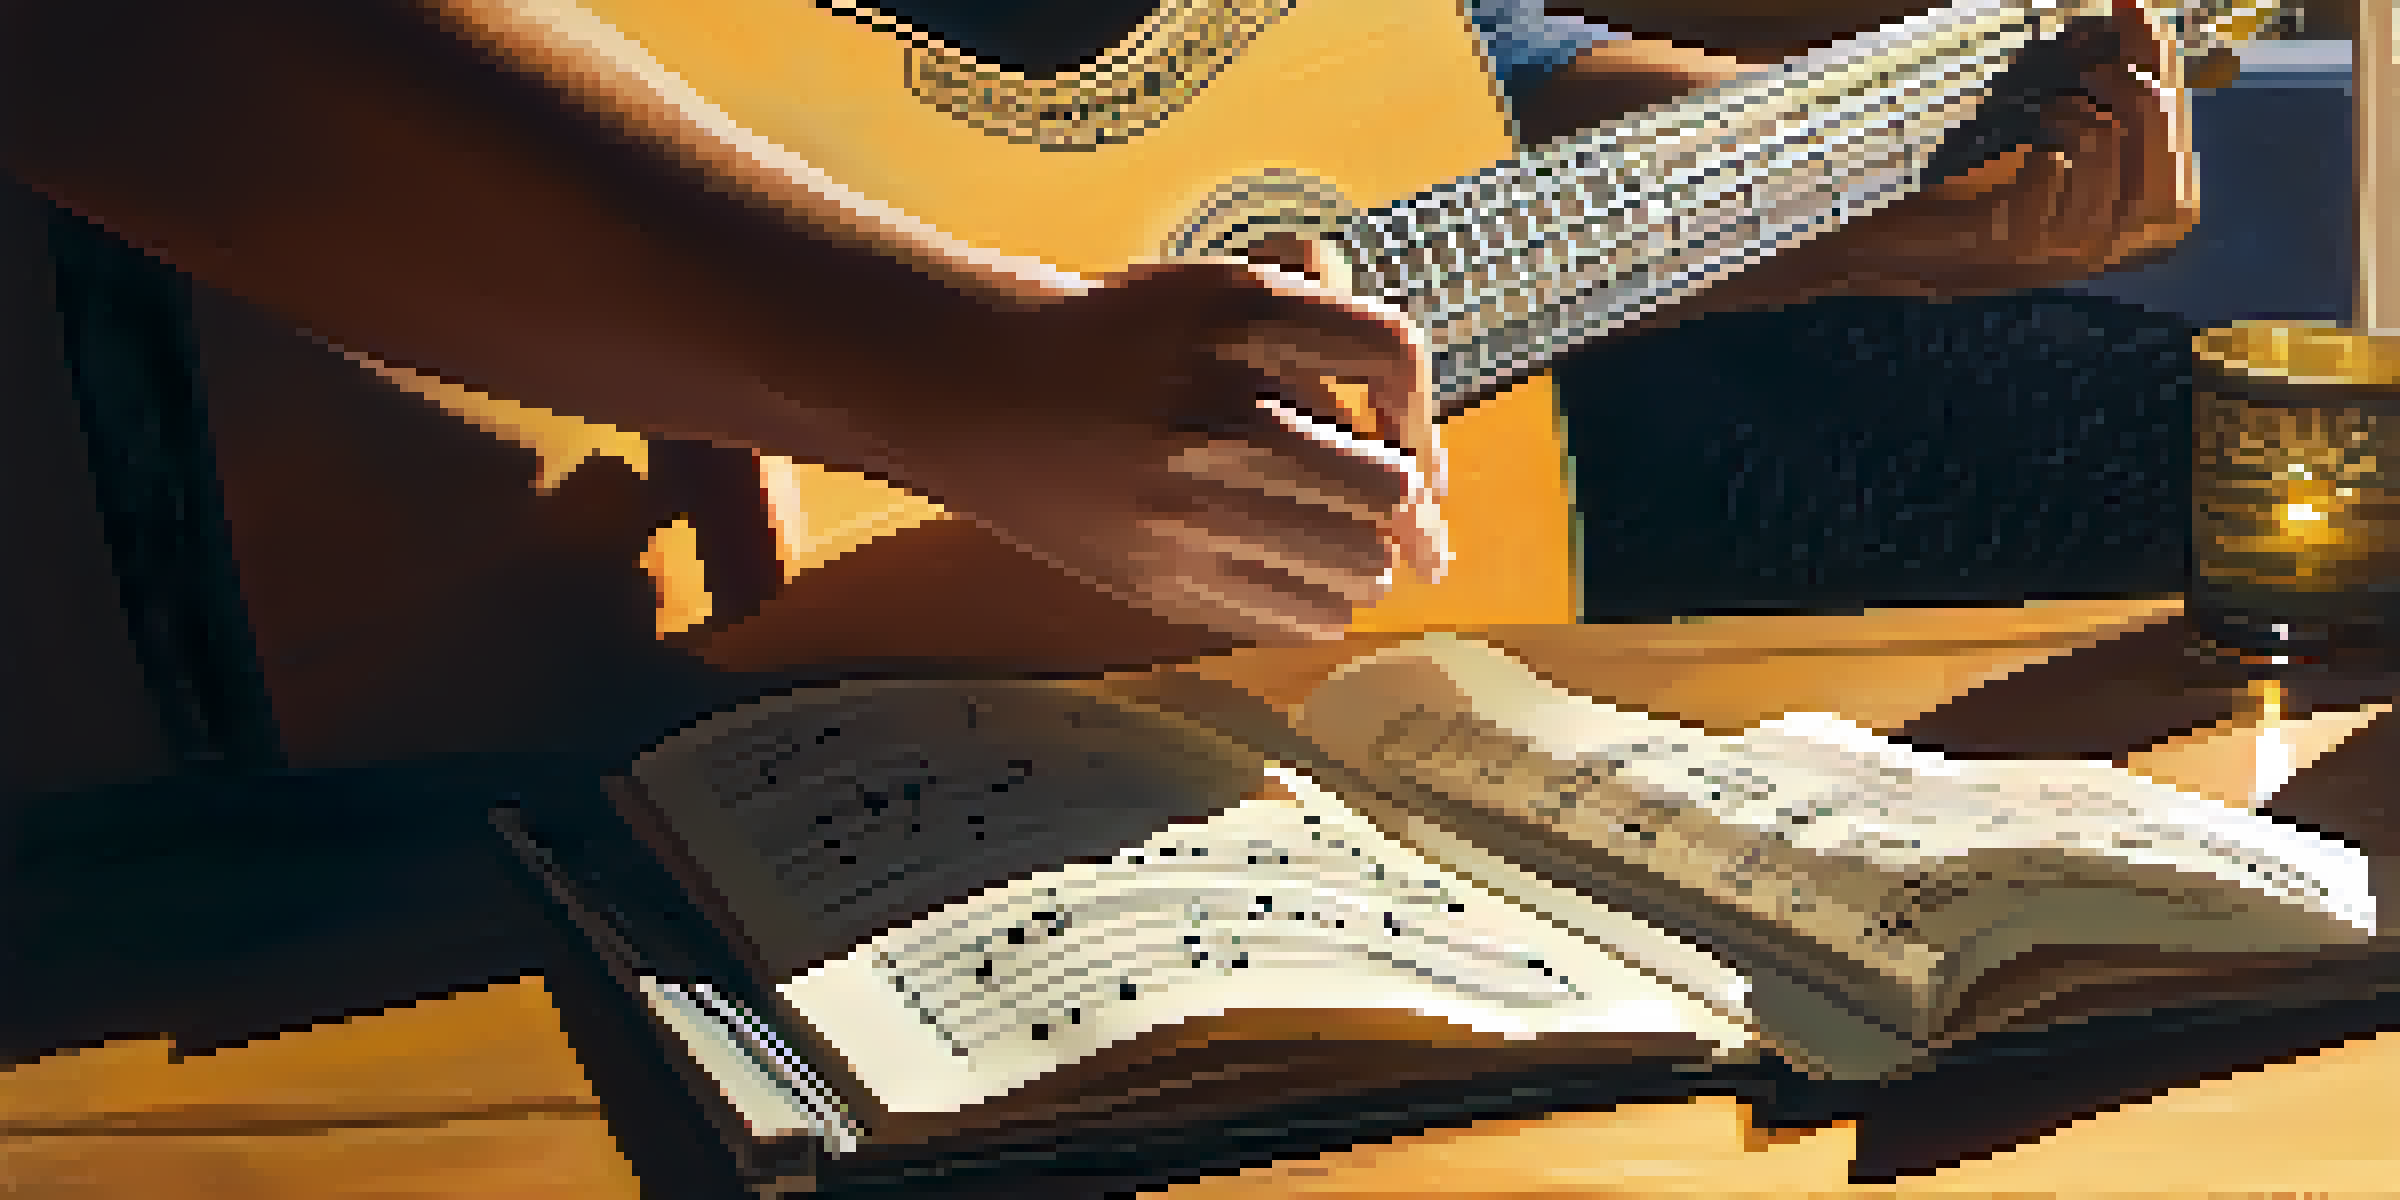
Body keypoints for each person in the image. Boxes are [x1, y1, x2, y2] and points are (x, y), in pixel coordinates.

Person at [0, 0, 2194, 773]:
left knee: (2170, 454)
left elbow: (1455, 66)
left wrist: (1843, 198)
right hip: (242, 623)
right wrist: (933, 372)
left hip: (1083, 610)